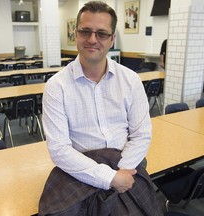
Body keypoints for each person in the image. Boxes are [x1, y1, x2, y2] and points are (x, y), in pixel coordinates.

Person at [41, 1, 157, 214]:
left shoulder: (130, 80)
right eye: (85, 31)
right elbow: (59, 150)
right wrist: (109, 178)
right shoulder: (56, 87)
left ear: (112, 39)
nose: (92, 39)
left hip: (126, 165)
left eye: (102, 34)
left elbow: (141, 135)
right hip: (79, 170)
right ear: (76, 34)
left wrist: (121, 173)